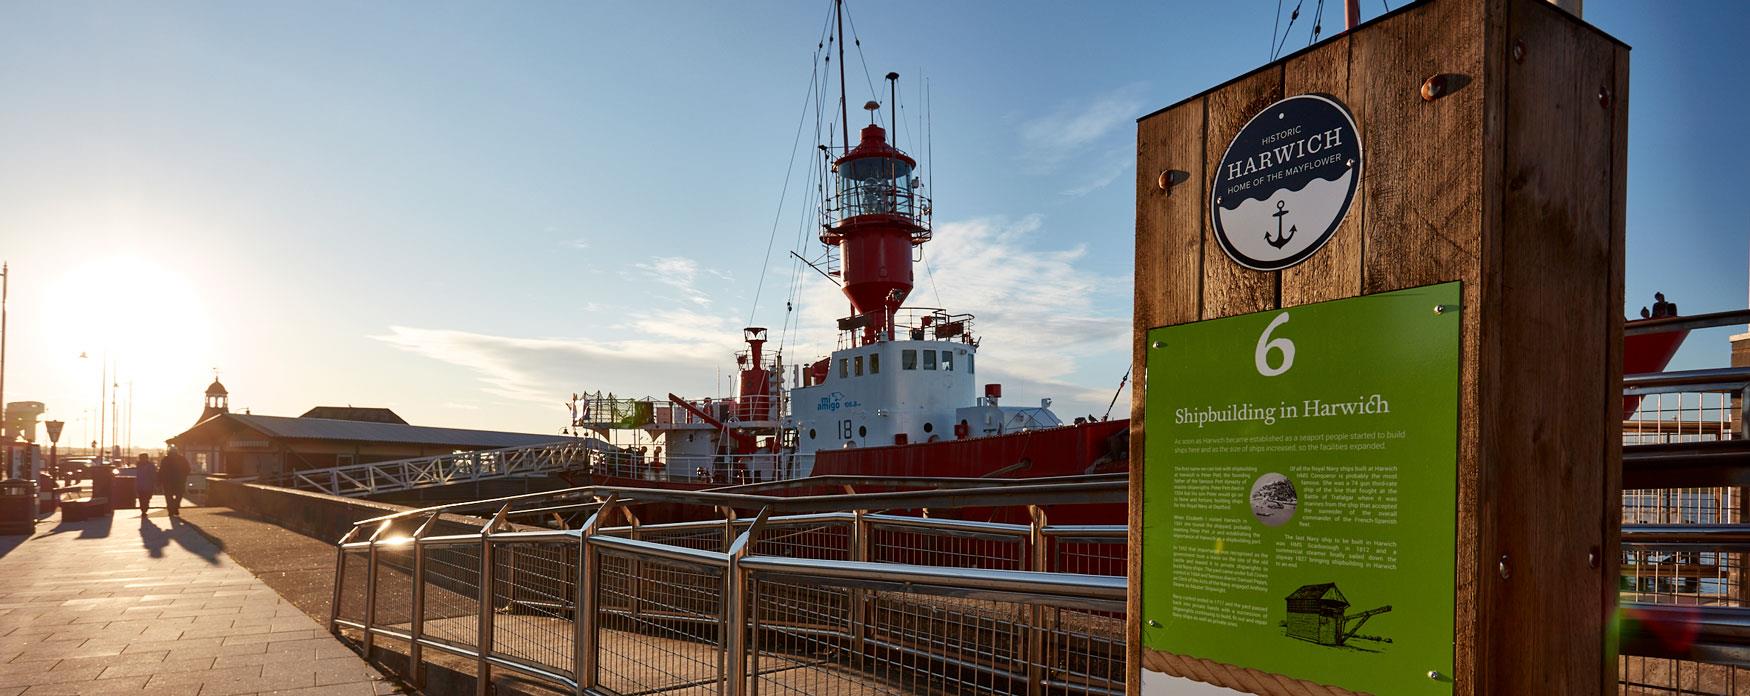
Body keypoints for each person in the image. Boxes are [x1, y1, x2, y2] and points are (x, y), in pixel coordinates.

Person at [159, 446, 190, 517]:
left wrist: (160, 480)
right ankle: (175, 507)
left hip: (167, 481)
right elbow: (188, 469)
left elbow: (161, 471)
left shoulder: (165, 459)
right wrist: (184, 476)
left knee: (169, 496)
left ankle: (171, 509)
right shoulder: (182, 459)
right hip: (179, 481)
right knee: (179, 495)